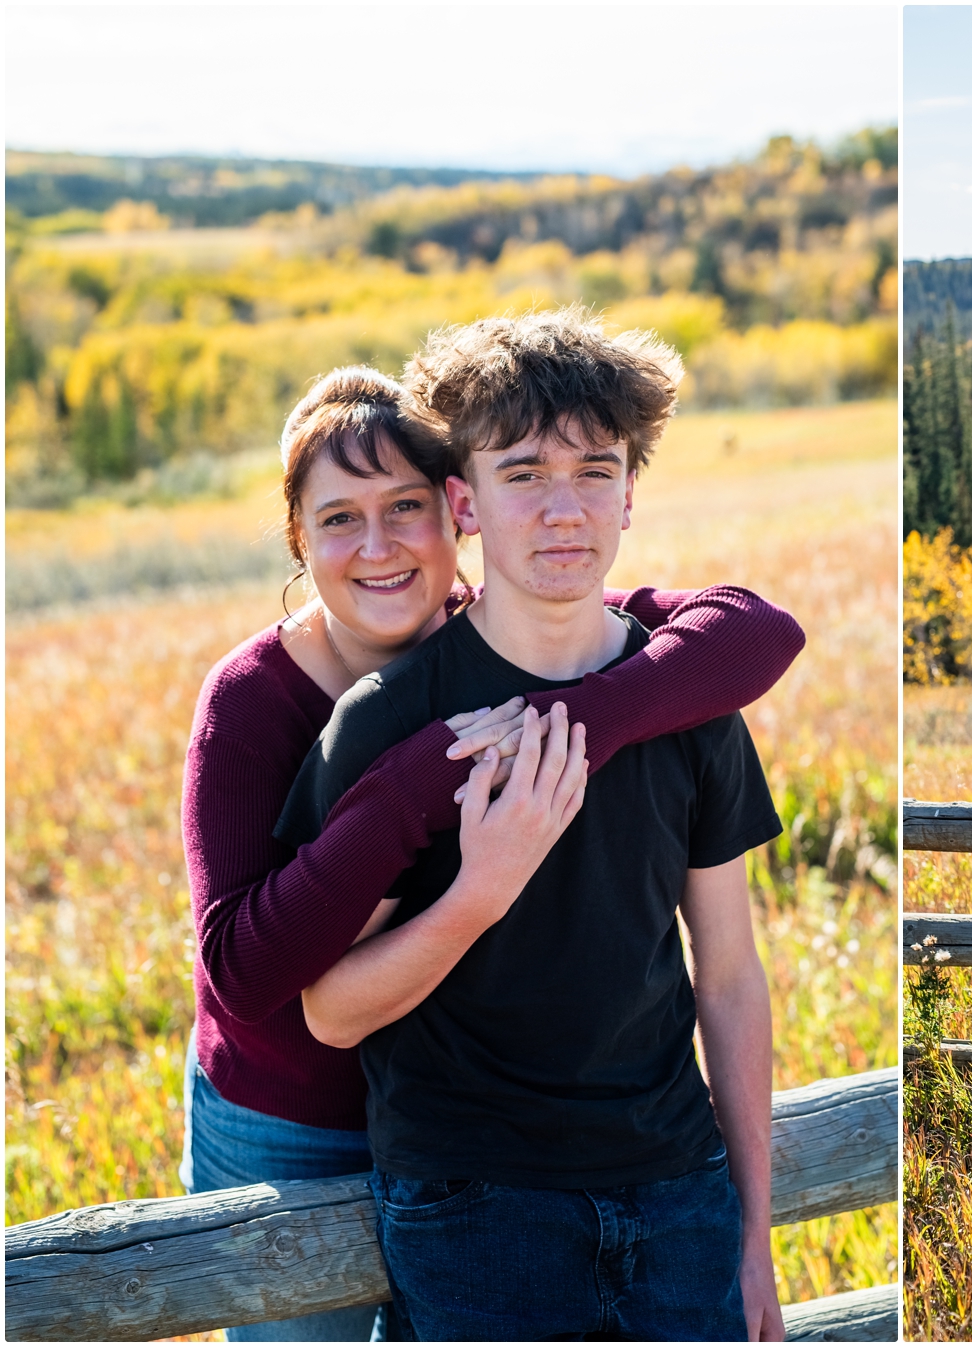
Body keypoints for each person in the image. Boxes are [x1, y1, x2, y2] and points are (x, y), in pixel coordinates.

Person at [181, 365, 803, 1341]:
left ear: (447, 515)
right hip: (328, 1127)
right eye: (340, 518)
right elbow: (269, 983)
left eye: (593, 472)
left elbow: (729, 971)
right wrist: (467, 859)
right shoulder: (304, 714)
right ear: (299, 541)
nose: (563, 510)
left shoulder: (663, 684)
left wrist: (754, 1230)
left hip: (663, 1177)